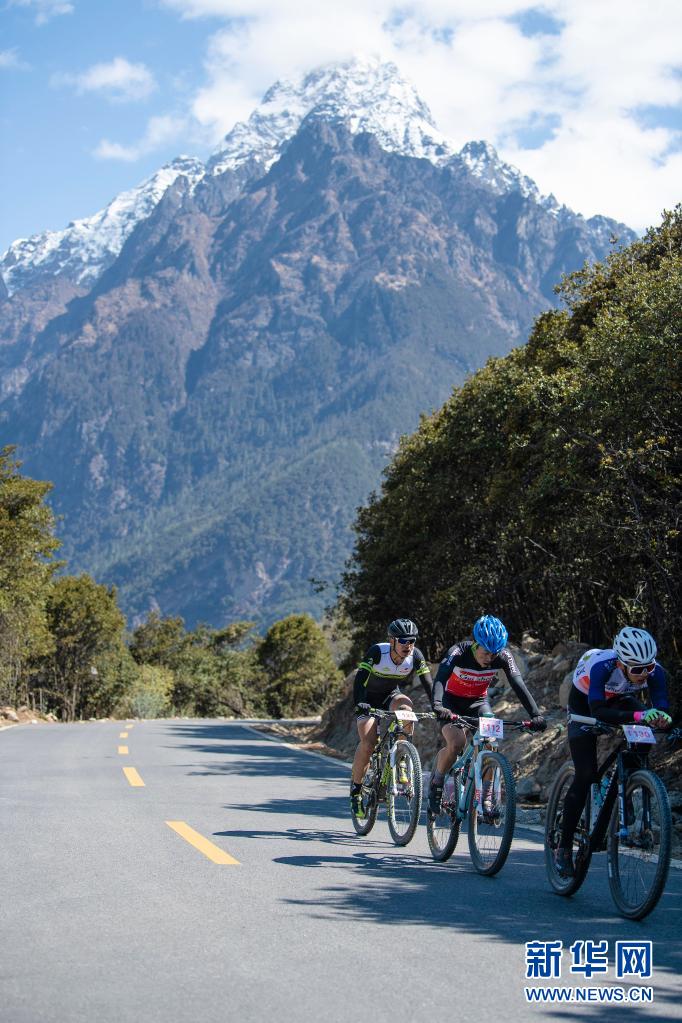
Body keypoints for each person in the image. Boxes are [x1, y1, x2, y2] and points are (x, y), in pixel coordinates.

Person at [554, 626, 672, 878]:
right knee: (585, 775)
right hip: (586, 705)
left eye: (648, 668)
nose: (645, 675)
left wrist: (663, 721)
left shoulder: (653, 671)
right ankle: (563, 847)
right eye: (638, 670)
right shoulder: (601, 667)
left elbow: (662, 708)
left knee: (644, 736)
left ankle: (627, 782)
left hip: (620, 700)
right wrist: (640, 715)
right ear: (620, 663)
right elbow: (597, 711)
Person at [428, 614, 546, 816]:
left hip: (478, 703)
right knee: (456, 743)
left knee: (491, 742)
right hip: (450, 702)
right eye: (486, 652)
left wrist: (536, 714)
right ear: (476, 644)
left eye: (494, 654)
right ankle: (437, 781)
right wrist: (438, 705)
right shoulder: (458, 652)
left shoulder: (503, 656)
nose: (490, 658)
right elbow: (439, 678)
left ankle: (488, 797)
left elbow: (518, 685)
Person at [350, 618, 433, 819]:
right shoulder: (378, 652)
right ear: (392, 640)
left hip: (390, 695)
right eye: (403, 641)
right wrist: (360, 702)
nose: (408, 645)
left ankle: (402, 756)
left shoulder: (416, 656)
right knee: (368, 743)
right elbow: (360, 679)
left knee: (407, 709)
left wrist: (437, 706)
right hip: (367, 699)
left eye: (412, 640)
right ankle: (356, 791)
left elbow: (428, 683)